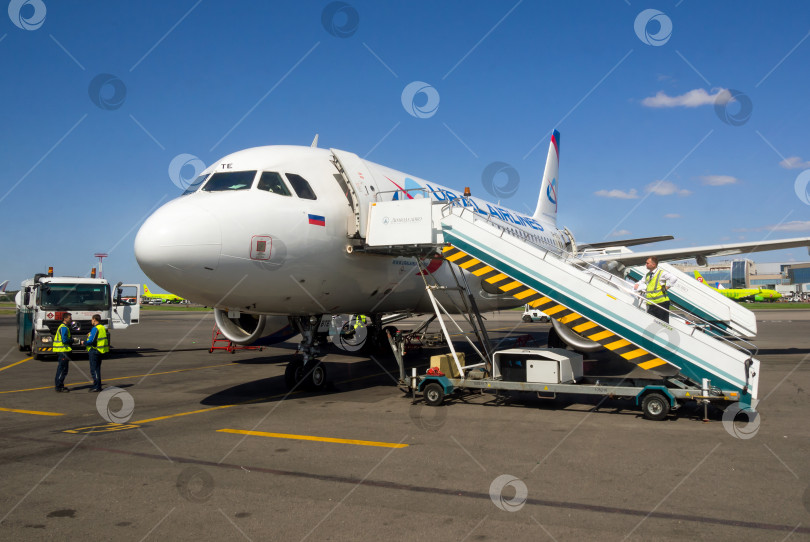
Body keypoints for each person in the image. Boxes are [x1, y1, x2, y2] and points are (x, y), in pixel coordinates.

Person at [634, 256, 678, 323]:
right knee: (652, 323)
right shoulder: (648, 275)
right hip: (651, 303)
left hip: (661, 303)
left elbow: (674, 278)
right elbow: (641, 281)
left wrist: (667, 287)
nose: (646, 264)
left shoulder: (661, 273)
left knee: (662, 324)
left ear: (653, 264)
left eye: (647, 263)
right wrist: (637, 284)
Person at [84, 314, 109, 392]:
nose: (91, 321)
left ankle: (97, 386)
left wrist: (83, 342)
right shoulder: (102, 327)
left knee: (94, 369)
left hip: (94, 350)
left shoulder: (95, 328)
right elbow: (98, 337)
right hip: (100, 350)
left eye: (92, 319)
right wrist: (90, 335)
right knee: (97, 369)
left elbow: (92, 341)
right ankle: (97, 385)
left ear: (94, 319)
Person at [53, 312, 75, 392]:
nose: (71, 319)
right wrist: (72, 340)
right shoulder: (64, 328)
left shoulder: (64, 327)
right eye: (70, 318)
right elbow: (64, 340)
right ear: (65, 318)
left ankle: (60, 385)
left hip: (63, 351)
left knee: (62, 369)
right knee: (62, 369)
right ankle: (59, 386)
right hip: (63, 351)